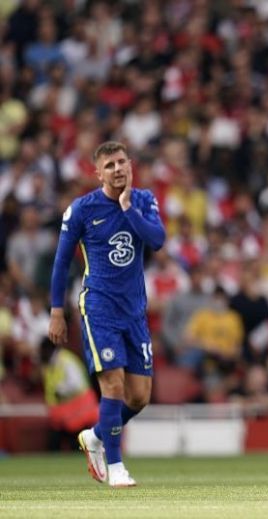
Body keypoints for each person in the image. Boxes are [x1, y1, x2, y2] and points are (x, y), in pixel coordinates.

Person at [49, 141, 165, 488]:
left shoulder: (143, 201)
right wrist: (56, 311)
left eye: (121, 162)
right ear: (98, 173)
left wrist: (129, 210)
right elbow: (61, 261)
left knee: (139, 397)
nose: (117, 169)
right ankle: (115, 465)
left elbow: (157, 240)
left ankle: (97, 436)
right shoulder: (82, 209)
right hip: (99, 306)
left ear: (130, 165)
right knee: (112, 384)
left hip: (134, 311)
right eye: (109, 165)